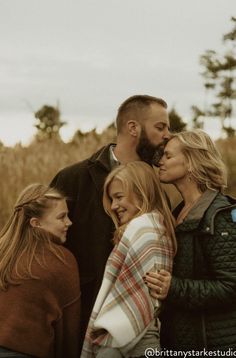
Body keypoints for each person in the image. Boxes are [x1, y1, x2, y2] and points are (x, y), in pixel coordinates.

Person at [50, 94, 170, 351]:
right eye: (160, 127)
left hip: (144, 328)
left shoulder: (157, 185)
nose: (167, 135)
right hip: (85, 319)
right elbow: (45, 247)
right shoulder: (74, 179)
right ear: (133, 128)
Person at [144, 129, 236, 350]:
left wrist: (173, 288)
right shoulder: (178, 214)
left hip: (214, 345)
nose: (160, 163)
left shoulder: (220, 216)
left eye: (168, 156)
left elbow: (231, 286)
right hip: (182, 340)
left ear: (192, 163)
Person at [81, 161, 176, 358]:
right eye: (111, 199)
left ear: (140, 193)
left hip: (125, 338)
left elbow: (123, 295)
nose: (114, 206)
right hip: (147, 334)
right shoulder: (160, 226)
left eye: (118, 197)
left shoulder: (141, 227)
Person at [0, 184, 81, 358]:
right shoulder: (61, 259)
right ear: (36, 223)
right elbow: (69, 331)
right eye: (62, 217)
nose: (69, 222)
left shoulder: (4, 253)